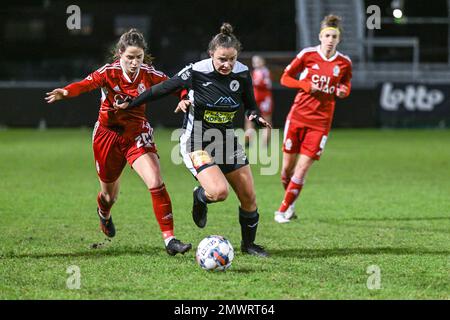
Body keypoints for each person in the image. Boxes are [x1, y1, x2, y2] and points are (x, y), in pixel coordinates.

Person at [115, 23, 272, 257]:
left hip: (226, 139)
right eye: (221, 59)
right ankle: (200, 196)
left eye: (231, 59)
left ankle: (249, 245)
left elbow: (250, 105)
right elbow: (162, 89)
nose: (227, 64)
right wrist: (131, 103)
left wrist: (255, 116)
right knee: (219, 193)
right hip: (197, 141)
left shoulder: (241, 72)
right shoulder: (196, 71)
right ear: (211, 55)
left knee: (249, 196)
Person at [45, 28, 192, 255]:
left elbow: (176, 85)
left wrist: (183, 99)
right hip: (107, 136)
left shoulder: (148, 73)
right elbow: (84, 84)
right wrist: (66, 91)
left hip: (136, 133)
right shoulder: (109, 72)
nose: (134, 63)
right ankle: (104, 213)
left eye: (139, 57)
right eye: (130, 57)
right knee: (109, 195)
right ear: (120, 54)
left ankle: (170, 240)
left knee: (155, 180)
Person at [273, 15, 352, 223]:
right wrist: (306, 86)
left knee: (302, 168)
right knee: (286, 171)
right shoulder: (307, 55)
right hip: (298, 117)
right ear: (320, 37)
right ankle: (290, 203)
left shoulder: (344, 63)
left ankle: (281, 210)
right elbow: (285, 78)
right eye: (327, 35)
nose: (330, 39)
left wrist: (344, 91)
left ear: (339, 39)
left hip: (321, 123)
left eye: (334, 36)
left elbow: (346, 85)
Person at [244, 55, 274, 147]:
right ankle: (249, 141)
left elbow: (267, 84)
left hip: (264, 98)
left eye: (258, 61)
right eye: (254, 62)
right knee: (249, 119)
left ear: (262, 62)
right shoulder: (255, 72)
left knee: (265, 120)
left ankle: (264, 143)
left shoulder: (264, 72)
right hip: (256, 98)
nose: (256, 63)